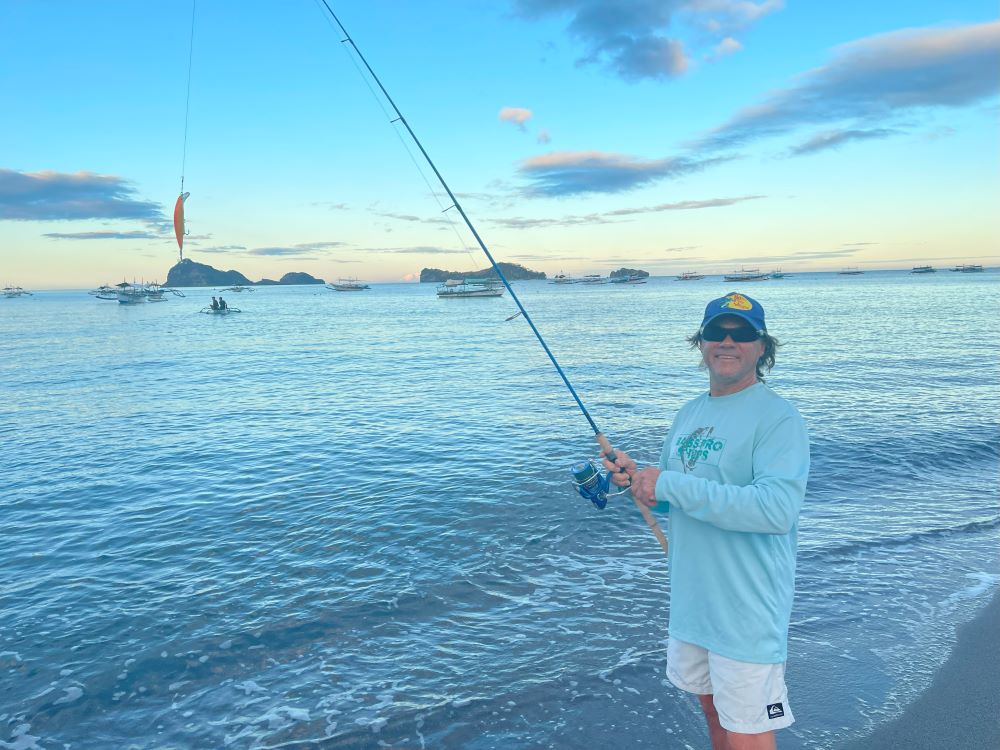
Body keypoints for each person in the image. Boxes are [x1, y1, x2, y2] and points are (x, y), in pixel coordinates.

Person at [602, 291, 809, 750]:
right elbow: (673, 500)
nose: (728, 342)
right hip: (693, 605)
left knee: (747, 731)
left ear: (762, 347)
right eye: (717, 331)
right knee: (716, 716)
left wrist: (670, 485)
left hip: (746, 611)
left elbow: (776, 510)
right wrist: (641, 483)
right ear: (701, 342)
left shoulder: (778, 418)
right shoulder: (690, 413)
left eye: (742, 334)